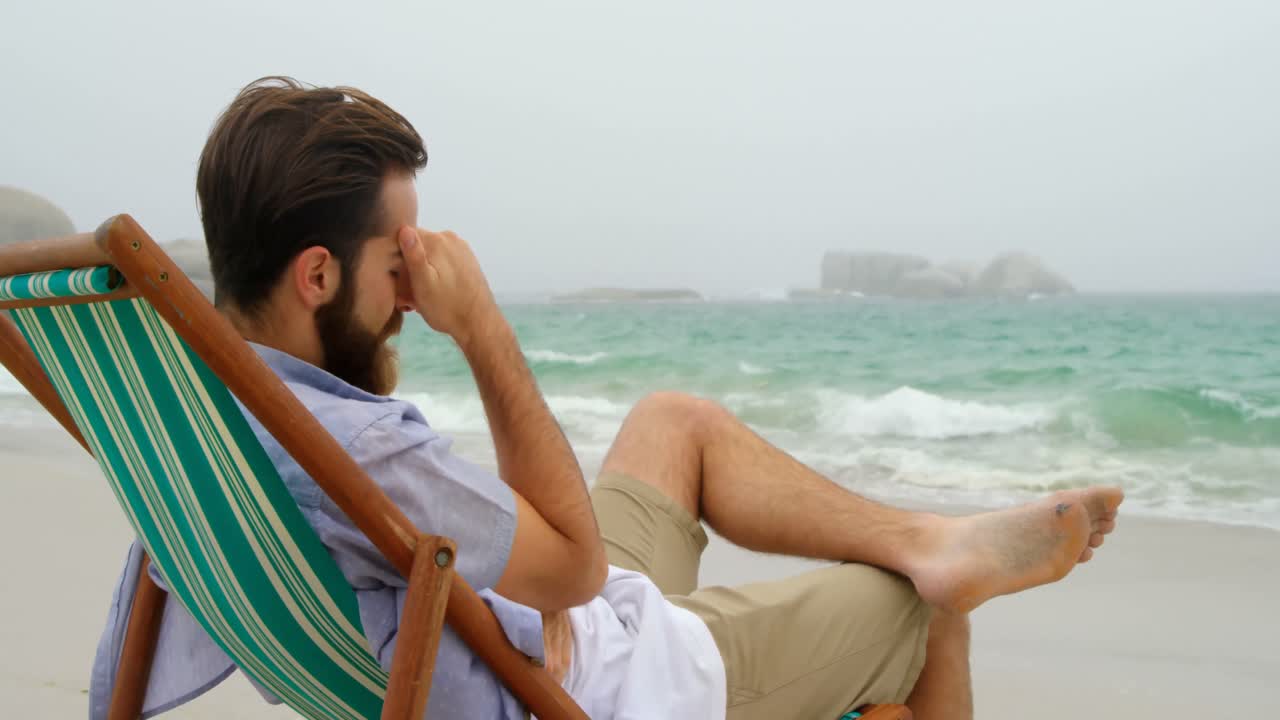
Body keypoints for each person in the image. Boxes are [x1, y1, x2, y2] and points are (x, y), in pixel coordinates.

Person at [90, 77, 1123, 720]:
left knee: (674, 422)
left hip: (537, 627)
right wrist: (482, 325)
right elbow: (576, 573)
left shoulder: (186, 408)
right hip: (607, 684)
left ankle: (920, 534)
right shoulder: (355, 452)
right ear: (315, 278)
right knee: (922, 617)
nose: (411, 288)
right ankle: (925, 573)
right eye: (393, 260)